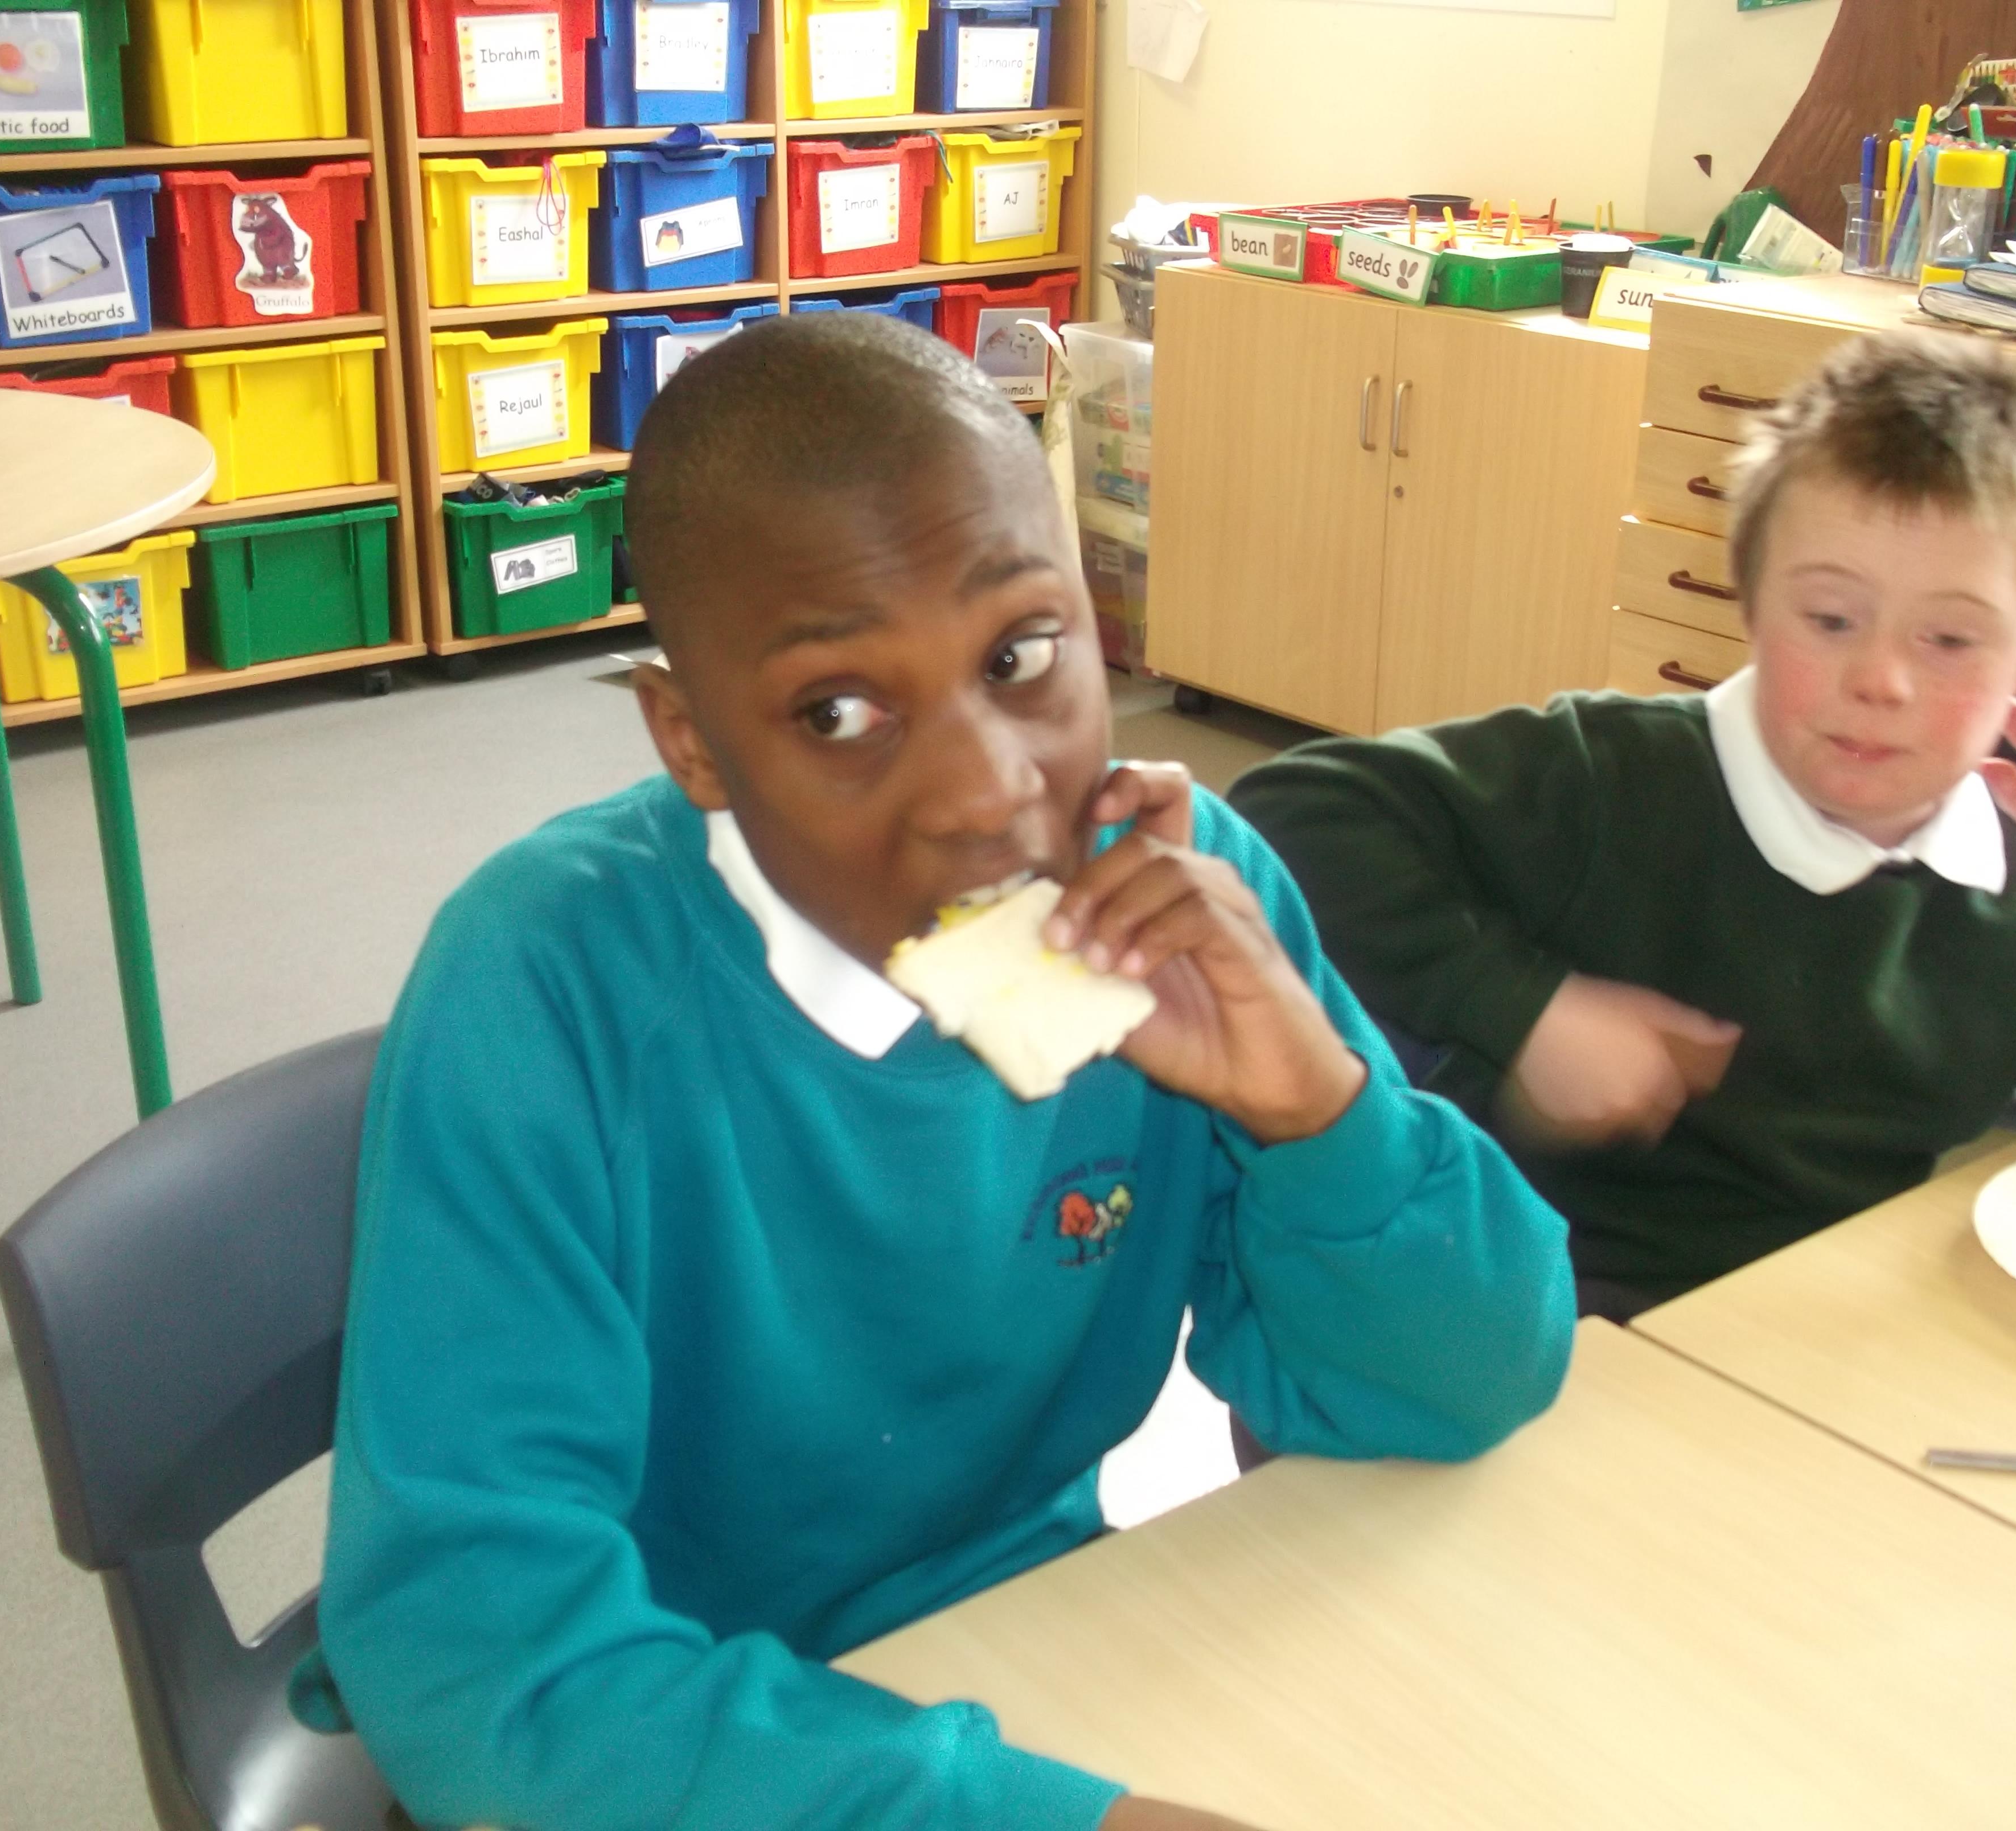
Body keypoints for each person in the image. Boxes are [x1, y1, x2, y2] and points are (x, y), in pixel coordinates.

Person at [296, 314, 1576, 1831]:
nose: (988, 789)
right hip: (671, 1750)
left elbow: (1470, 1385)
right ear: (690, 743)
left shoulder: (1177, 892)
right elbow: (479, 1656)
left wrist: (1323, 1117)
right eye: (838, 714)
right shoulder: (544, 984)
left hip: (1038, 1644)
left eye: (1021, 656)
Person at [1230, 330, 2016, 1321]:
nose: (1880, 680)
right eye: (1830, 619)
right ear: (1749, 604)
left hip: (1827, 1330)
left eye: (1952, 641)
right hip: (1528, 1313)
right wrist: (1526, 1007)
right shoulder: (1612, 779)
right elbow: (1285, 820)